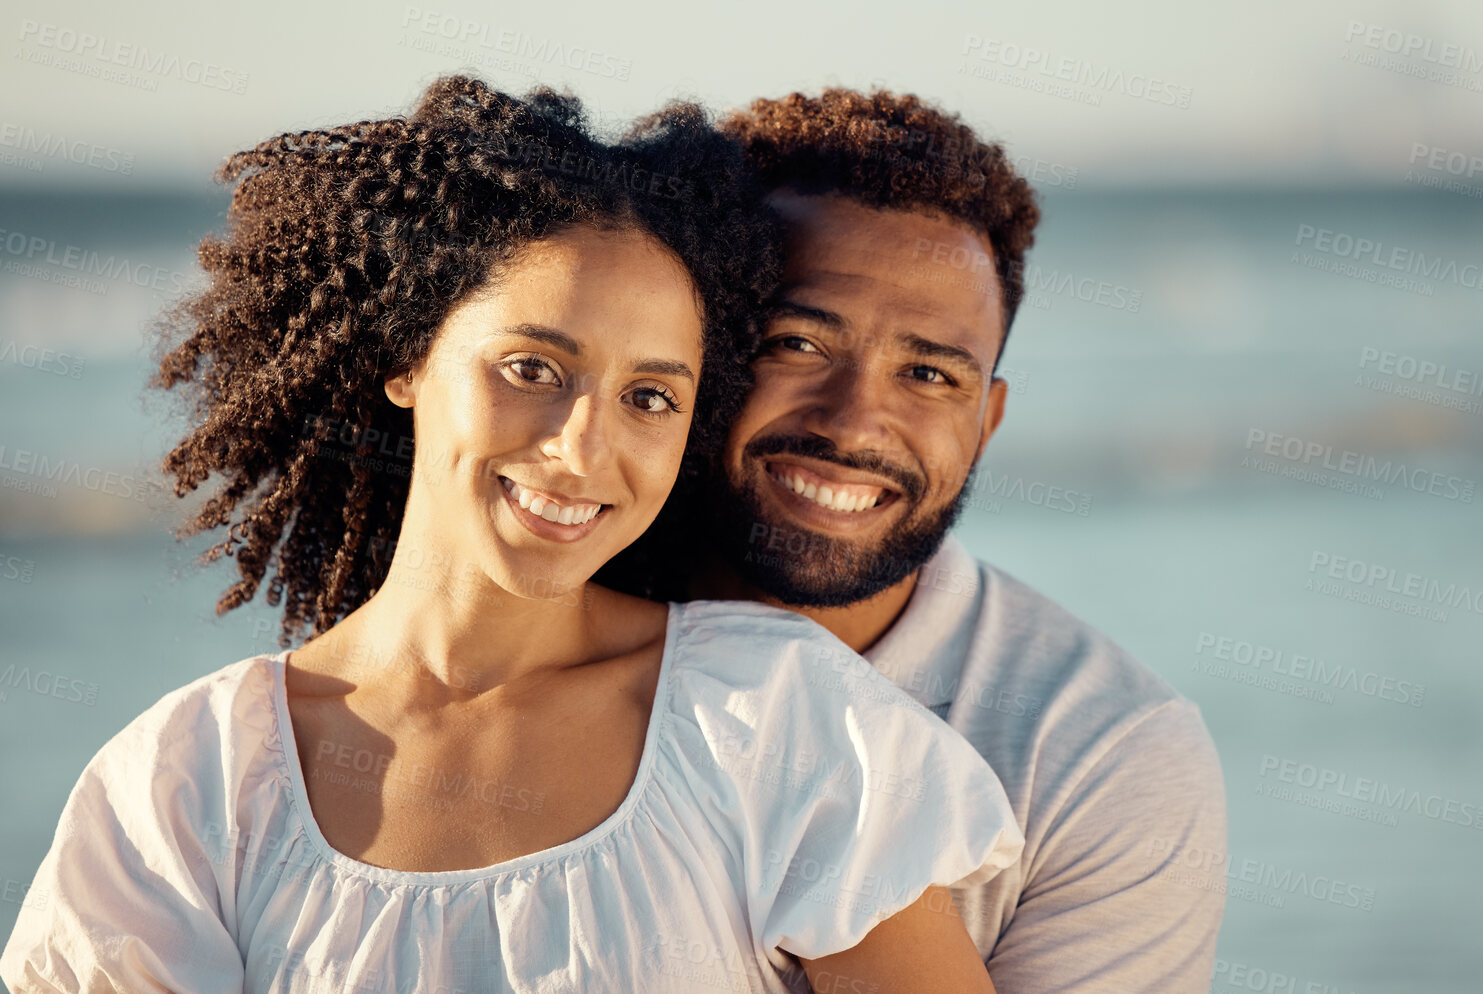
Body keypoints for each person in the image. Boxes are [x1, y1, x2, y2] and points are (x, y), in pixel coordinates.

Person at [0, 76, 1022, 994]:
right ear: (407, 357)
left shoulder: (780, 723)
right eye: (532, 368)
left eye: (651, 397)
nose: (584, 450)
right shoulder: (190, 783)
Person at [604, 88, 1230, 992]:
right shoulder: (521, 640)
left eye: (929, 373)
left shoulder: (1101, 750)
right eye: (796, 344)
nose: (856, 423)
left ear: (987, 421)